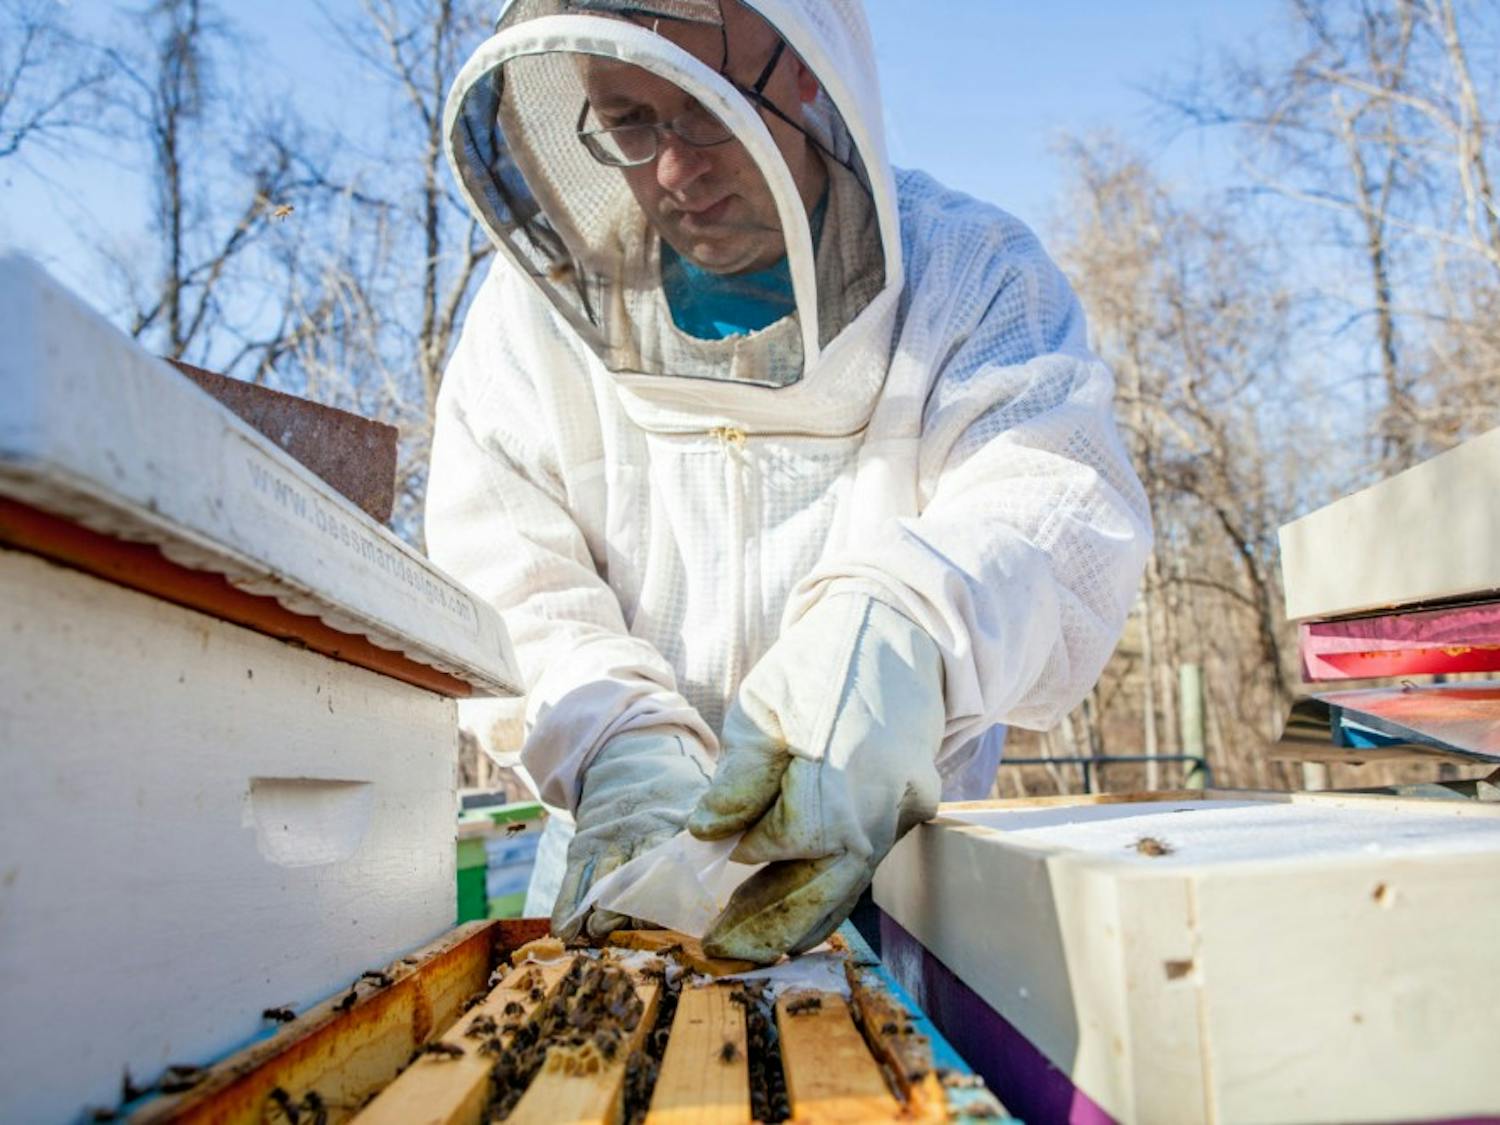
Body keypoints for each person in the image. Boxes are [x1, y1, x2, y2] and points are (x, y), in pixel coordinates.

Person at [427, 0, 1151, 963]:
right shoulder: (529, 321)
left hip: (902, 884)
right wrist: (618, 745)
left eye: (709, 107)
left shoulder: (971, 276)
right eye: (628, 123)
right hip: (625, 873)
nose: (675, 173)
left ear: (814, 72)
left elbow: (1052, 501)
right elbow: (510, 579)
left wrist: (907, 632)